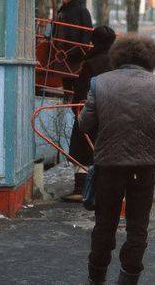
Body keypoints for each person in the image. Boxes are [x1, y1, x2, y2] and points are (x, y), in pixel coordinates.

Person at [79, 35, 155, 285]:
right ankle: (128, 279)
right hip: (143, 167)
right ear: (151, 58)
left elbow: (84, 123)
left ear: (118, 56)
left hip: (108, 166)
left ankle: (96, 277)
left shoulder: (99, 84)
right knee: (138, 227)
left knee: (104, 224)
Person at [63, 25, 117, 203]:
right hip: (113, 114)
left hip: (91, 113)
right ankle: (106, 189)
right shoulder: (117, 62)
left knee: (82, 149)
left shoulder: (90, 63)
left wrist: (77, 109)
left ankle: (81, 188)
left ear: (94, 41)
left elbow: (82, 91)